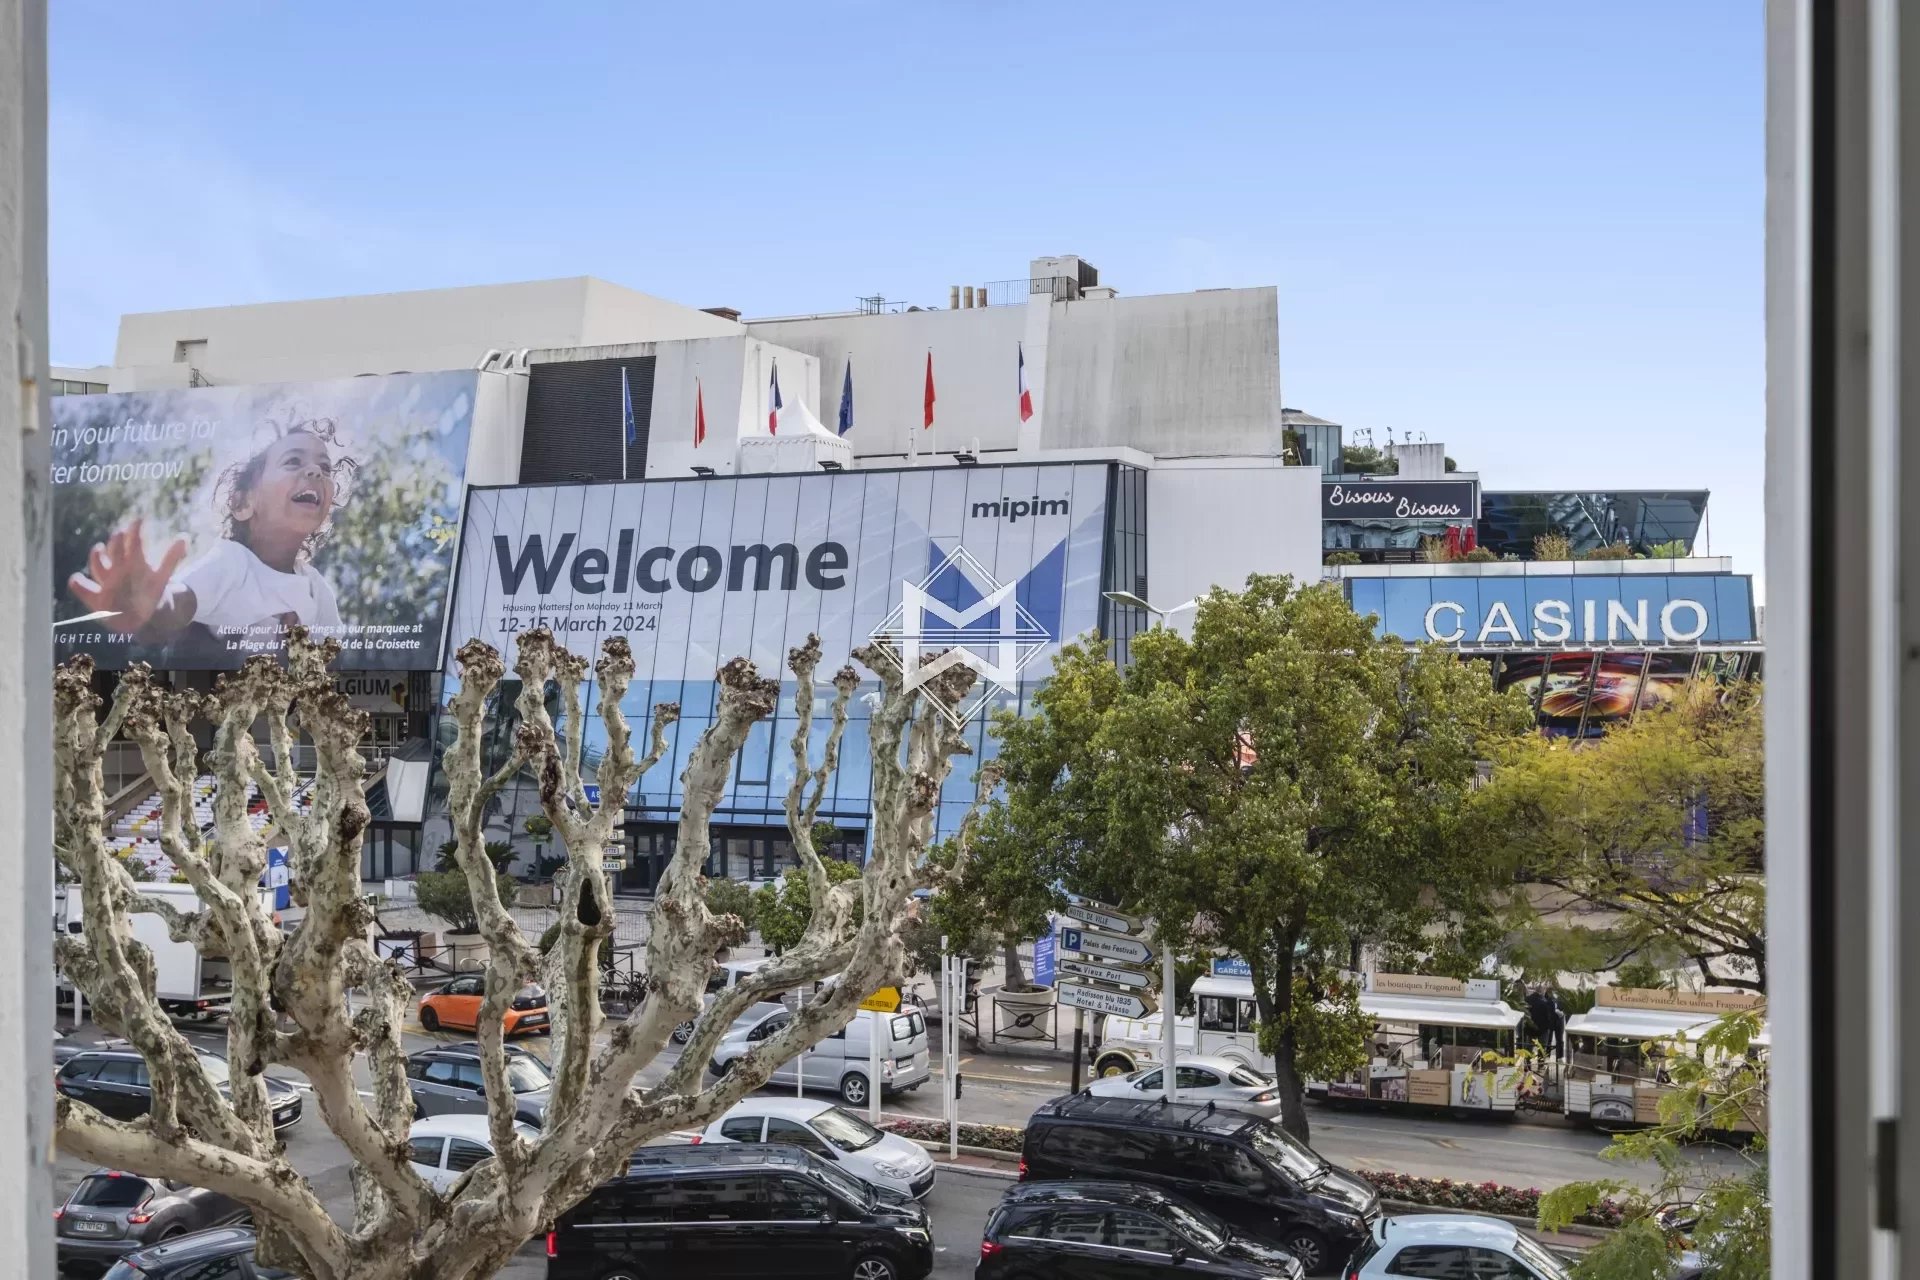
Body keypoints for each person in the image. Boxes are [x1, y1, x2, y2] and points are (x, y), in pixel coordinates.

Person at [67, 420, 358, 659]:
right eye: (293, 461)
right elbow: (179, 602)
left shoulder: (318, 591)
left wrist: (301, 651)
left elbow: (334, 669)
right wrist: (149, 608)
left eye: (325, 468)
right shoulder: (232, 563)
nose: (315, 471)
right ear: (243, 504)